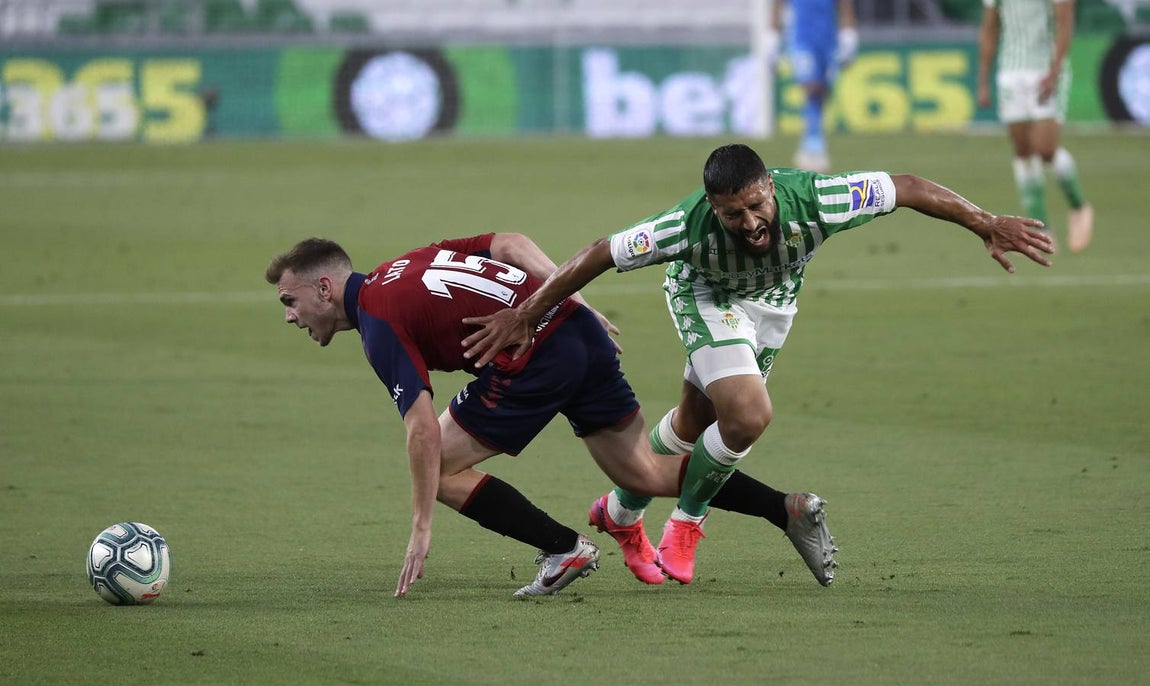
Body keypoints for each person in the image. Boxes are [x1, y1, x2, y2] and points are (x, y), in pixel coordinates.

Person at [460, 143, 1055, 585]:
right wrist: (531, 312)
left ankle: (620, 512)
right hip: (705, 297)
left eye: (755, 205)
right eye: (732, 214)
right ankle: (687, 523)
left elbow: (908, 186)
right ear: (712, 208)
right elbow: (598, 253)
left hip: (773, 303)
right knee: (745, 416)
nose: (749, 223)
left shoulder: (819, 199)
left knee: (695, 421)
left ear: (770, 185)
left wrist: (986, 221)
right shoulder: (683, 229)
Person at [264, 232, 836, 597]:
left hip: (534, 360)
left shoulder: (378, 320)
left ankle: (563, 548)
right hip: (577, 332)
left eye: (290, 301)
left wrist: (420, 525)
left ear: (323, 288)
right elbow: (511, 243)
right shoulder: (406, 262)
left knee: (432, 468)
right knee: (644, 475)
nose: (289, 316)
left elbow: (419, 428)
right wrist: (578, 300)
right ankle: (785, 510)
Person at [977, 0, 1094, 252]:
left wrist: (1055, 71)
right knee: (1022, 151)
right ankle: (1041, 229)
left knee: (1045, 149)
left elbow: (1065, 24)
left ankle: (1079, 207)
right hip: (1010, 72)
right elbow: (989, 28)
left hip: (1044, 69)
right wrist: (983, 78)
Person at [766, 0, 858, 173]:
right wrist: (772, 39)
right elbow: (778, 4)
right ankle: (814, 144)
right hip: (801, 38)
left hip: (828, 40)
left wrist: (849, 35)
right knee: (812, 87)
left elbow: (845, 5)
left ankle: (810, 141)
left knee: (823, 91)